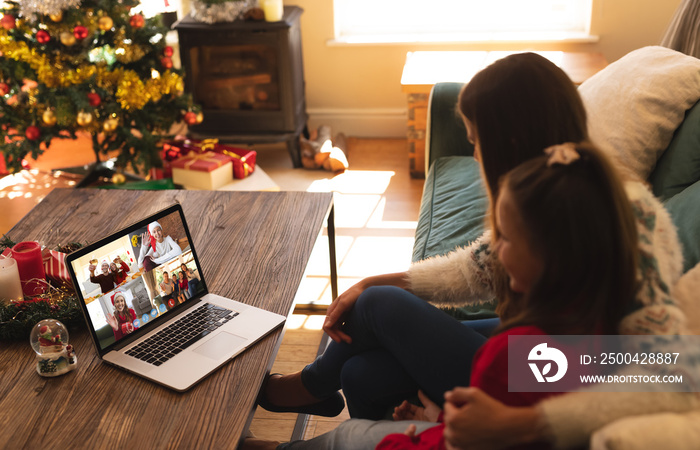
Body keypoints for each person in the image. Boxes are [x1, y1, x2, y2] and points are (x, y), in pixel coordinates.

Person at [258, 53, 686, 423]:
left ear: (512, 139)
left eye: (477, 141)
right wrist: (369, 281)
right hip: (538, 347)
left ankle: (312, 386)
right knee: (360, 374)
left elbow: (656, 354)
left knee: (376, 307)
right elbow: (473, 270)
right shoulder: (550, 190)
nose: (476, 154)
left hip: (555, 372)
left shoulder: (626, 213)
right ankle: (351, 406)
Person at [244, 143, 641, 450]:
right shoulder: (594, 263)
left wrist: (447, 427)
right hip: (551, 359)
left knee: (376, 311)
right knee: (358, 372)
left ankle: (306, 397)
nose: (495, 253)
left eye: (505, 239)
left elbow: (678, 366)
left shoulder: (509, 356)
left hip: (539, 365)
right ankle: (316, 387)